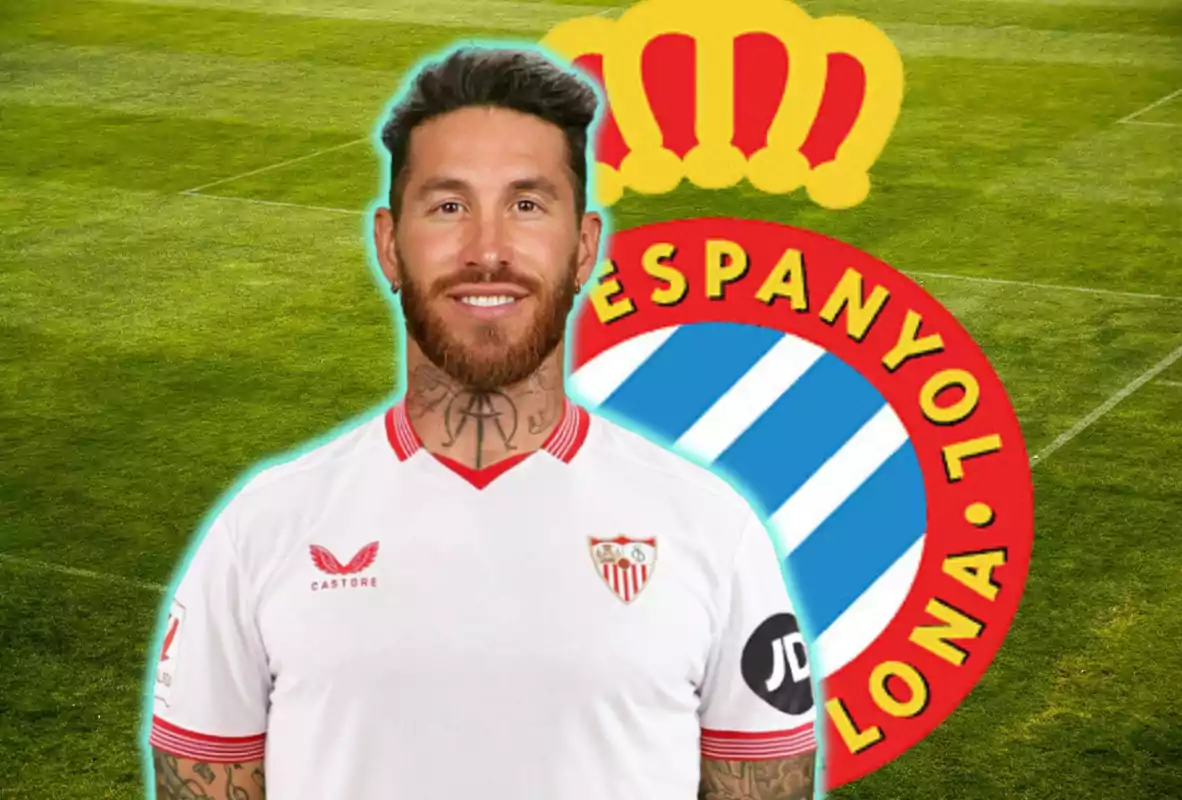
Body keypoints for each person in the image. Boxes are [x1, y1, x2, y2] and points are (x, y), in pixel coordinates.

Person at [146, 45, 818, 800]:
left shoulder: (712, 529)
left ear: (585, 247)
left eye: (527, 205)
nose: (488, 250)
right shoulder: (262, 527)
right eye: (448, 206)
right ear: (389, 245)